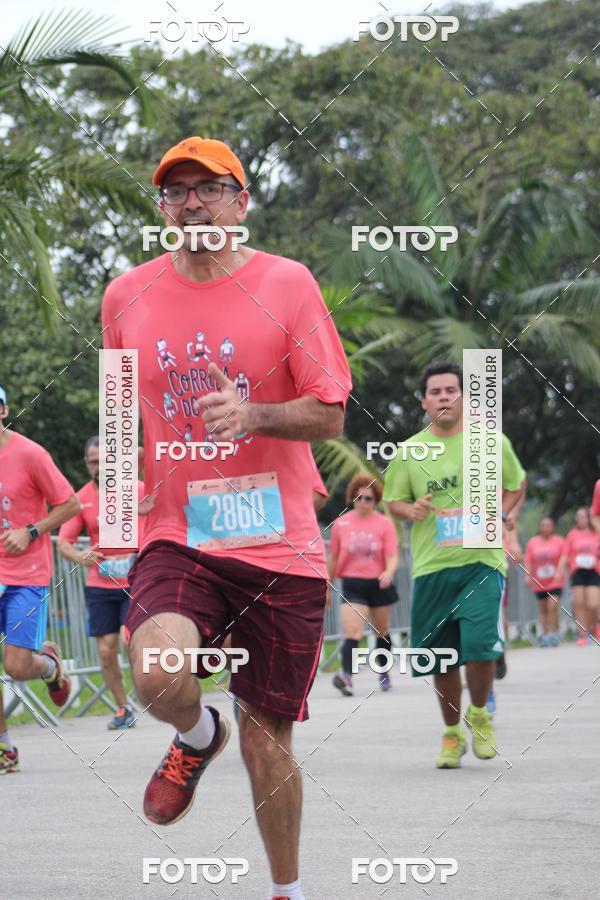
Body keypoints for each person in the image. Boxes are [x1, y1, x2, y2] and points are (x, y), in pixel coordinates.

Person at [101, 137, 351, 900]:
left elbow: (331, 412)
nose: (192, 203)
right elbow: (118, 409)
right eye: (176, 192)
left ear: (242, 202)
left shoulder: (288, 284)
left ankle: (287, 890)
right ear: (165, 210)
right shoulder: (125, 296)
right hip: (180, 534)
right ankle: (192, 734)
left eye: (209, 188)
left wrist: (255, 412)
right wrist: (119, 512)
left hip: (279, 543)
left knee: (267, 739)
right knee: (156, 672)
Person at [384, 361, 526, 769]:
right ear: (424, 401)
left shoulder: (490, 442)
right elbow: (393, 501)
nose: (444, 397)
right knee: (441, 656)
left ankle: (479, 716)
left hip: (482, 559)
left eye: (451, 390)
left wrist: (499, 514)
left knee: (481, 644)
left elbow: (516, 483)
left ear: (463, 396)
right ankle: (451, 735)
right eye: (436, 392)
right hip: (431, 566)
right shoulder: (410, 451)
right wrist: (411, 510)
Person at [0, 383, 81, 773]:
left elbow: (70, 504)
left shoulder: (31, 454)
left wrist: (30, 531)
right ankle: (5, 748)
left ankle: (49, 664)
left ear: (3, 411)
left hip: (26, 574)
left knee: (16, 666)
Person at [57, 436, 146, 729]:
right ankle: (123, 707)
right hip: (100, 582)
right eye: (94, 462)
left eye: (105, 460)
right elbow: (65, 543)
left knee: (128, 638)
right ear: (87, 464)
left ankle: (157, 694)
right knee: (106, 650)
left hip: (135, 581)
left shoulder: (136, 490)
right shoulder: (80, 498)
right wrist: (81, 556)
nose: (99, 467)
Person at [327, 473, 399, 696]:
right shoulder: (341, 523)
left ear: (375, 500)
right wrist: (327, 586)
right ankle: (347, 677)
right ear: (353, 498)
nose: (363, 502)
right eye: (359, 498)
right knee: (352, 631)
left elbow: (392, 554)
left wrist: (389, 571)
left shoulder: (384, 523)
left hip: (379, 582)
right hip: (352, 583)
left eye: (368, 498)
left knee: (381, 631)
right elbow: (334, 557)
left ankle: (384, 671)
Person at [559, 507, 600, 645]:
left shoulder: (596, 532)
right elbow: (565, 553)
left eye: (583, 516)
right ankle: (583, 634)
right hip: (577, 571)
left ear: (589, 518)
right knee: (579, 604)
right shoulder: (572, 534)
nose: (580, 519)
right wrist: (560, 569)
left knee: (593, 604)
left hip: (594, 570)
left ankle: (593, 626)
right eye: (578, 517)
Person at [524, 517, 565, 647]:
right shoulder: (533, 542)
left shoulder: (559, 541)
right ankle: (546, 636)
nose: (546, 527)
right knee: (543, 610)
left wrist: (560, 570)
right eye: (543, 525)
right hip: (539, 581)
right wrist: (527, 575)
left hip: (555, 581)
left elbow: (564, 557)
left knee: (552, 606)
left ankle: (554, 633)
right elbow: (529, 559)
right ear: (540, 527)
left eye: (548, 525)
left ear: (552, 527)